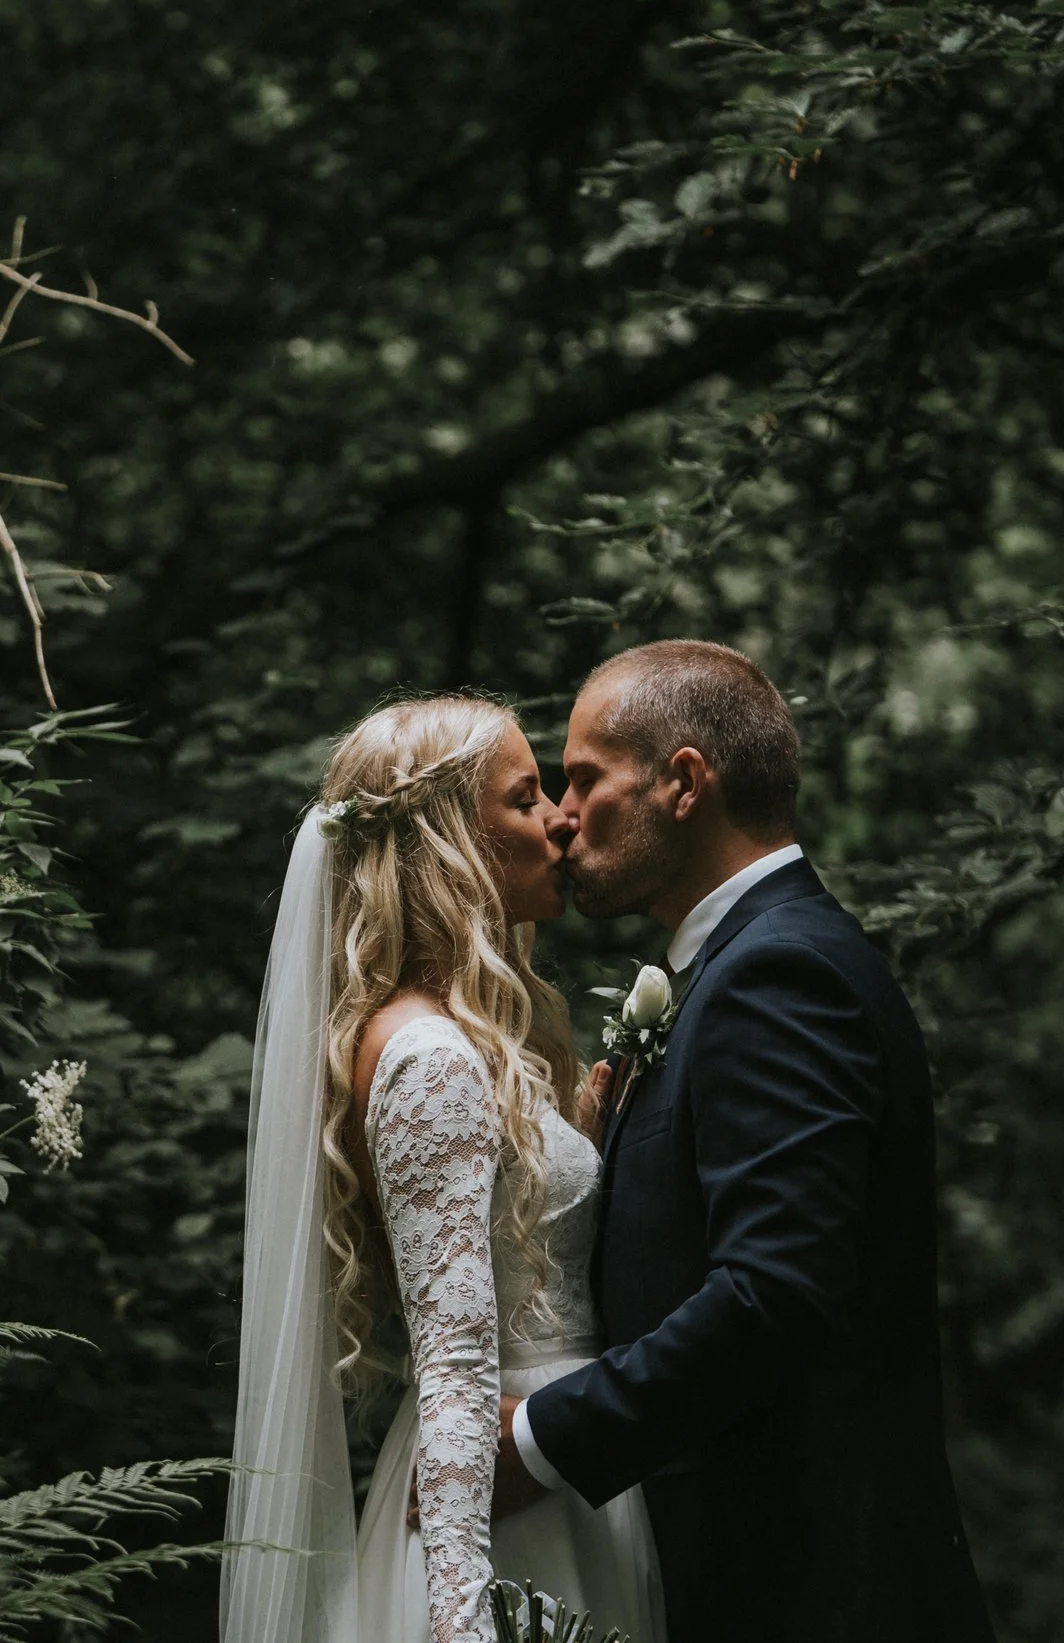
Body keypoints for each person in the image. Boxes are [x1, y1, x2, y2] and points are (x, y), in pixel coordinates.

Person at [502, 640, 994, 1643]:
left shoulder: (779, 975)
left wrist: (539, 1441)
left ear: (682, 782)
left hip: (814, 1585)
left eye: (585, 778)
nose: (560, 812)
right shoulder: (750, 964)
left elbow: (774, 1289)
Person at [223, 695, 667, 1643]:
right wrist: (462, 1615)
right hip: (505, 1509)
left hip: (552, 1477)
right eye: (524, 796)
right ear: (446, 839)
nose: (561, 814)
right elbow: (458, 1357)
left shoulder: (459, 1034)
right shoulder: (430, 1056)